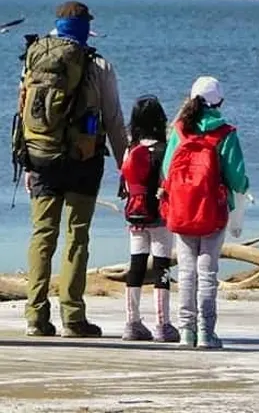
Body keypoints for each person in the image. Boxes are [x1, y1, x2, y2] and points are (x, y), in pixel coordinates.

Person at [14, 1, 128, 338]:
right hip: (83, 161)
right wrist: (127, 168)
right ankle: (73, 318)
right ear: (86, 26)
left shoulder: (34, 57)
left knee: (42, 236)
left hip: (41, 158)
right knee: (77, 238)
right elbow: (114, 119)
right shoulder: (97, 64)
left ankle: (36, 316)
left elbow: (23, 113)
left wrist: (25, 162)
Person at [160, 76, 249, 349]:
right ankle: (206, 333)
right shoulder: (225, 133)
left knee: (186, 271)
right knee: (208, 272)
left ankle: (186, 331)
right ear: (218, 101)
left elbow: (166, 170)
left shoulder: (179, 130)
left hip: (182, 210)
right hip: (213, 211)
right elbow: (238, 179)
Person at [117, 95, 179, 342]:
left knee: (136, 265)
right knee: (161, 266)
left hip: (135, 215)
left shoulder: (130, 150)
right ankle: (163, 324)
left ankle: (132, 322)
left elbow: (125, 185)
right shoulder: (165, 150)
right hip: (161, 215)